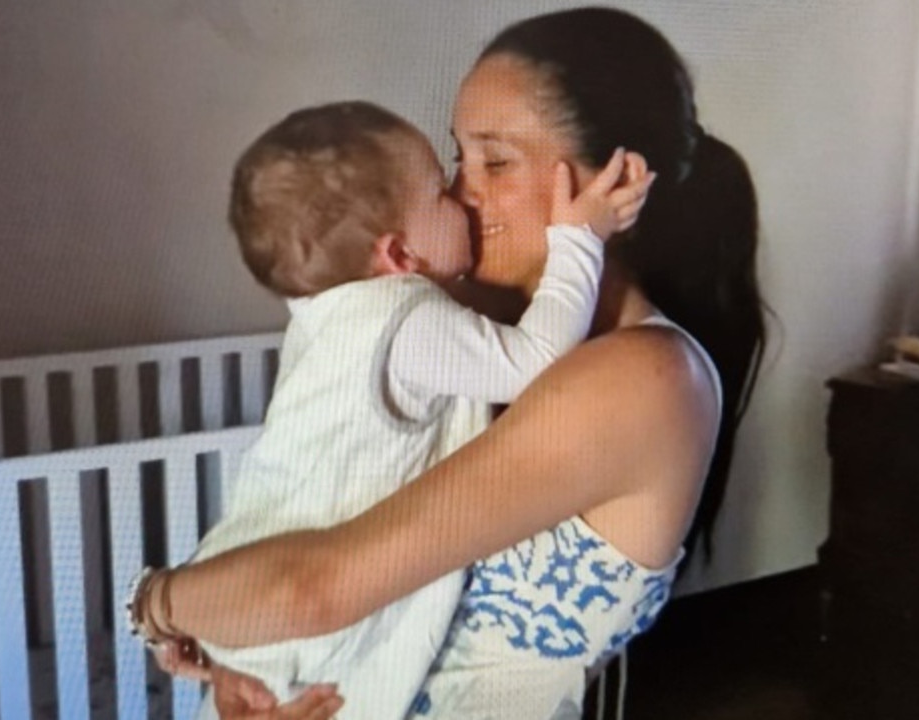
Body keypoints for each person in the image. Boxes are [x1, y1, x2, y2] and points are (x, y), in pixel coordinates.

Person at [147, 6, 766, 719]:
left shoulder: (647, 378)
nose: (461, 193)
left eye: (494, 162)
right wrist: (251, 661)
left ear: (616, 178)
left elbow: (312, 586)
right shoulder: (455, 321)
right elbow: (311, 496)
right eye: (458, 159)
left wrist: (158, 603)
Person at [124, 100, 652, 720]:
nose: (463, 197)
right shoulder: (403, 319)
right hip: (297, 600)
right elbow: (535, 359)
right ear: (398, 255)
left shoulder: (328, 318)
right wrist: (578, 239)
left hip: (244, 580)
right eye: (440, 193)